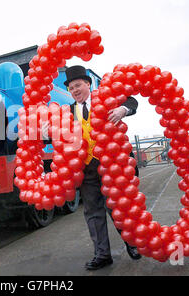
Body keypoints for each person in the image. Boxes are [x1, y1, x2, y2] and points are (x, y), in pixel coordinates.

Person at [48, 65, 141, 270]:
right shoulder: (68, 112)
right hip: (86, 169)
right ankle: (102, 255)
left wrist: (122, 109)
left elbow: (132, 100)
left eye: (78, 85)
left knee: (119, 207)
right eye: (71, 88)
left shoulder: (106, 99)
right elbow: (57, 137)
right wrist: (49, 131)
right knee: (93, 212)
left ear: (88, 84)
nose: (75, 90)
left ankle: (133, 244)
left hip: (112, 166)